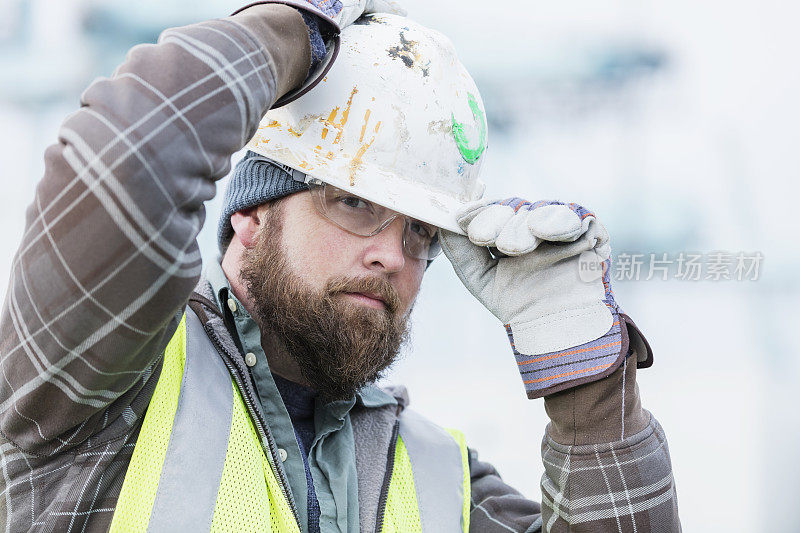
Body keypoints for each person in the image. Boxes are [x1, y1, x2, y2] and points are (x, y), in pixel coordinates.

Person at [0, 1, 680, 531]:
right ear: (252, 213)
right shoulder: (101, 386)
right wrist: (297, 26)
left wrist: (590, 389)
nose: (393, 254)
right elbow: (128, 154)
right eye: (353, 201)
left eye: (420, 230)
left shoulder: (446, 488)